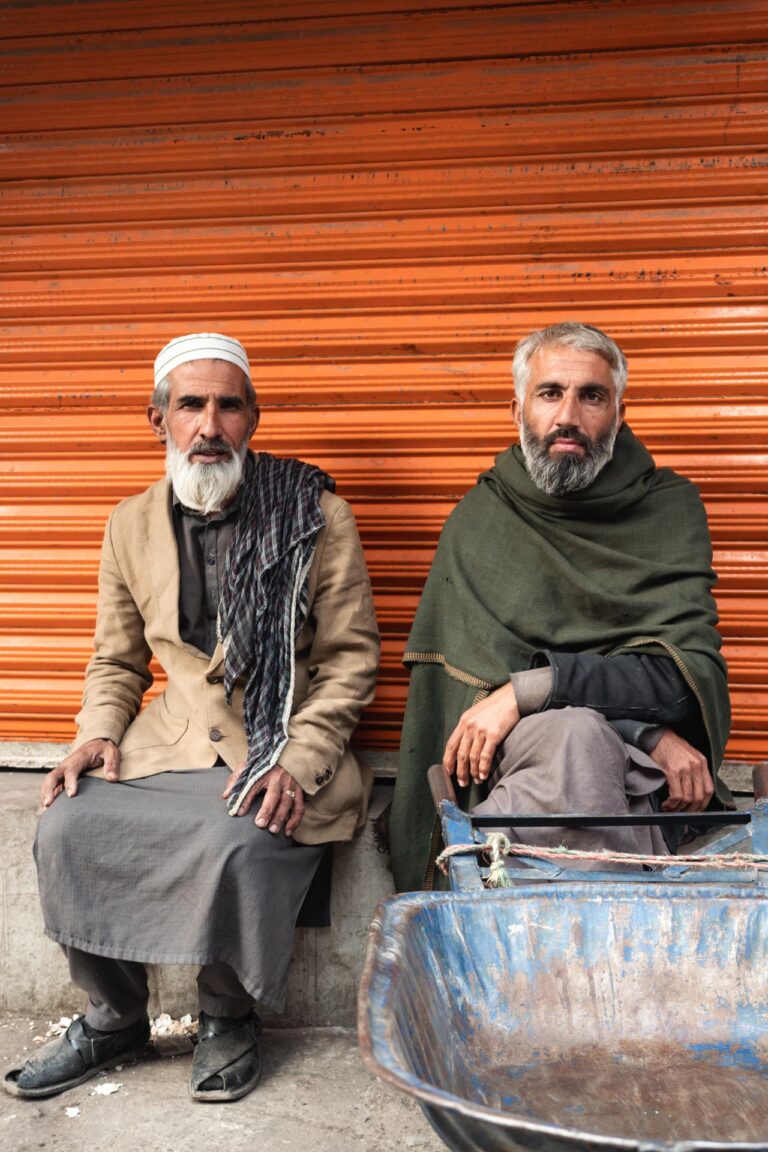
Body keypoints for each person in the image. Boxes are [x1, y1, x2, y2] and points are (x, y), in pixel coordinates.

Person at [4, 332, 380, 1101]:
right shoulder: (128, 525)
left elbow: (349, 661)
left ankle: (227, 1016)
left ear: (252, 419)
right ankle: (114, 1019)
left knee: (242, 835)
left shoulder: (316, 516)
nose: (209, 425)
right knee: (68, 826)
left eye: (228, 406)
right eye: (190, 406)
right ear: (159, 420)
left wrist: (296, 761)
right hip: (167, 745)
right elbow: (116, 661)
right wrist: (96, 736)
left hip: (278, 741)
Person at [389, 321, 730, 892]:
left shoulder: (669, 510)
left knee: (580, 738)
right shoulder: (481, 519)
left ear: (620, 414)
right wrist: (645, 734)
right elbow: (461, 706)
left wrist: (529, 690)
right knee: (576, 737)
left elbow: (675, 679)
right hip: (512, 759)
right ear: (518, 409)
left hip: (628, 768)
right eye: (550, 393)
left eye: (591, 395)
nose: (568, 415)